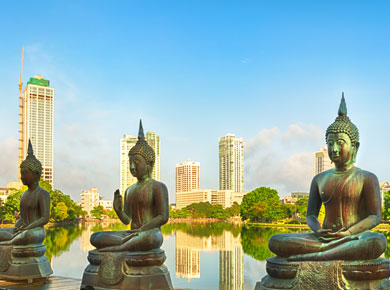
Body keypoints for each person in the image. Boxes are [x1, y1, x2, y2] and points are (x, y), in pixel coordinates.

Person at [268, 94, 386, 261]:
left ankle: (319, 255)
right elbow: (311, 215)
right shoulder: (319, 179)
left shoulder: (367, 178)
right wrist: (317, 230)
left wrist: (349, 232)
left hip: (353, 237)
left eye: (341, 143)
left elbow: (375, 216)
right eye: (331, 143)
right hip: (323, 238)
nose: (335, 148)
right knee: (275, 241)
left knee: (378, 241)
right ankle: (328, 252)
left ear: (355, 147)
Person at [90, 120, 169, 252]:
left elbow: (163, 217)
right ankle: (124, 244)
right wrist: (119, 210)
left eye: (136, 162)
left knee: (149, 238)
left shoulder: (157, 187)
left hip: (150, 233)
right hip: (132, 234)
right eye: (130, 162)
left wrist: (142, 230)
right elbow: (127, 221)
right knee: (96, 237)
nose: (132, 166)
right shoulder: (129, 190)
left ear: (149, 163)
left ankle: (120, 247)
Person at [0, 140, 50, 246]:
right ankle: (13, 239)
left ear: (36, 174)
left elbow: (45, 218)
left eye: (25, 173)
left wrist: (29, 227)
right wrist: (16, 227)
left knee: (27, 235)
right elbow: (23, 217)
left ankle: (9, 243)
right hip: (23, 230)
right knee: (2, 232)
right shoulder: (24, 194)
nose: (22, 177)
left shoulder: (42, 193)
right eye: (21, 174)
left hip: (35, 231)